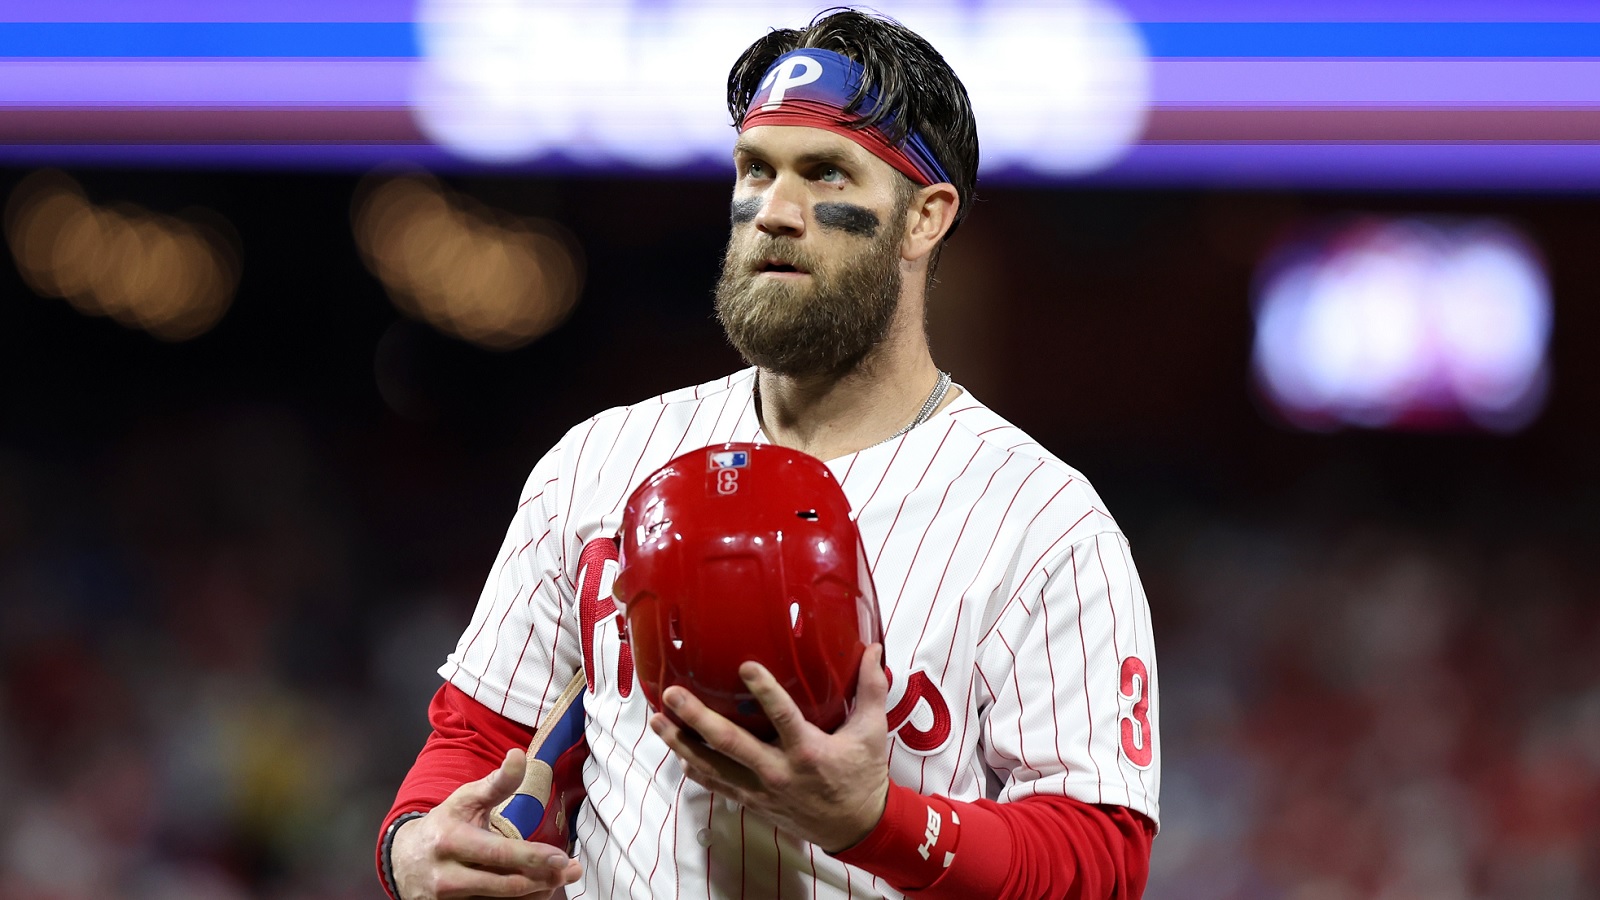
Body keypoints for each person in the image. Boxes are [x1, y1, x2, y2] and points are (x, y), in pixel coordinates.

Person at [378, 8, 1160, 899]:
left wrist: (874, 822)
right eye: (757, 170)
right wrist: (410, 849)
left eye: (824, 172)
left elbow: (1101, 859)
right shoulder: (595, 464)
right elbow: (477, 741)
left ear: (924, 219)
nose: (775, 213)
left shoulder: (1044, 522)